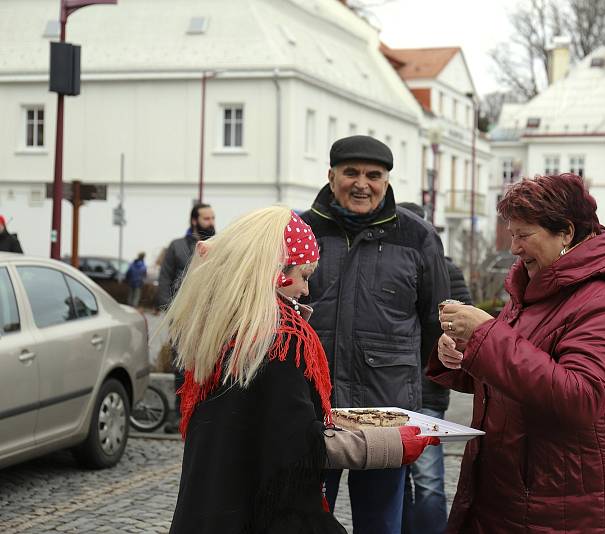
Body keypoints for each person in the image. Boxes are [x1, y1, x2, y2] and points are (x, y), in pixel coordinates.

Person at [165, 206, 440, 534]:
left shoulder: (221, 325)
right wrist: (391, 444)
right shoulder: (278, 339)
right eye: (305, 276)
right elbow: (298, 446)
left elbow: (267, 423)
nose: (307, 290)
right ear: (277, 270)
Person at [431, 173, 605, 533]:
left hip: (577, 504)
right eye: (512, 236)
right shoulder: (535, 288)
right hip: (525, 495)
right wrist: (463, 354)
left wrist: (485, 335)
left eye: (524, 236)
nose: (515, 248)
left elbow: (581, 396)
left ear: (566, 233)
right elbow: (519, 367)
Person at [301, 136, 450, 534]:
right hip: (312, 408)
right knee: (305, 519)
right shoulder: (300, 231)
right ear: (331, 176)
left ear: (387, 180)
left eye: (374, 175)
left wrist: (429, 401)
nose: (361, 183)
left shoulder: (418, 237)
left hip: (387, 411)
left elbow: (436, 325)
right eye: (350, 173)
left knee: (381, 525)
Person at [397, 202, 472, 534]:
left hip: (427, 390)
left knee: (427, 478)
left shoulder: (447, 271)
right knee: (395, 478)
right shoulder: (384, 266)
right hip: (390, 388)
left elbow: (464, 328)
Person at [157, 202, 215, 433]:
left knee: (208, 365)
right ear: (194, 221)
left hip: (210, 318)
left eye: (212, 218)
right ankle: (178, 413)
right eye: (206, 218)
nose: (211, 222)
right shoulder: (177, 247)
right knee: (181, 366)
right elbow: (164, 279)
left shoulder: (218, 245)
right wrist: (168, 309)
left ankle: (203, 413)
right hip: (183, 318)